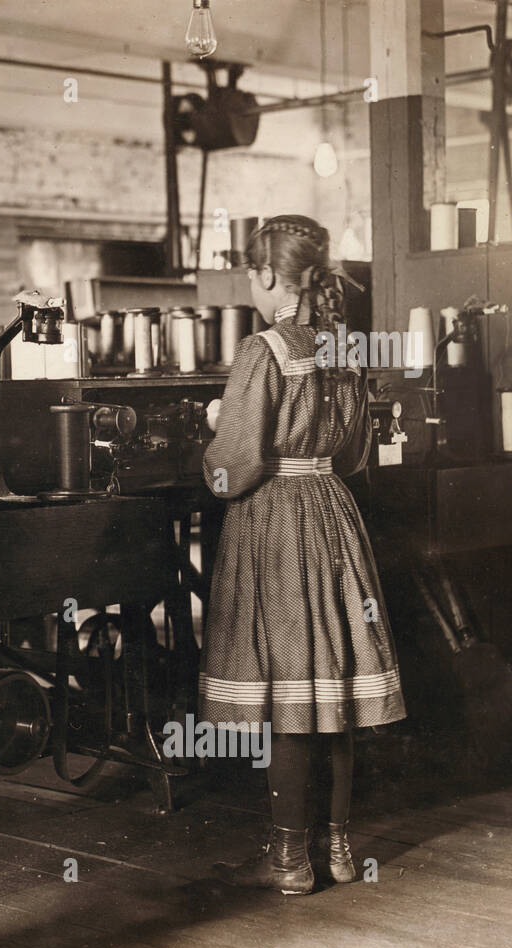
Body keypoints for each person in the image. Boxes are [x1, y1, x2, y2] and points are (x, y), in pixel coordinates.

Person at [199, 214, 406, 895]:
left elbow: (236, 466)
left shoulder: (264, 348)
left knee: (291, 690)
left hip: (276, 526)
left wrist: (217, 429)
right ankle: (340, 849)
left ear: (265, 278)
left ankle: (289, 858)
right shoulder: (344, 349)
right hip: (333, 517)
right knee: (333, 688)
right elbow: (350, 455)